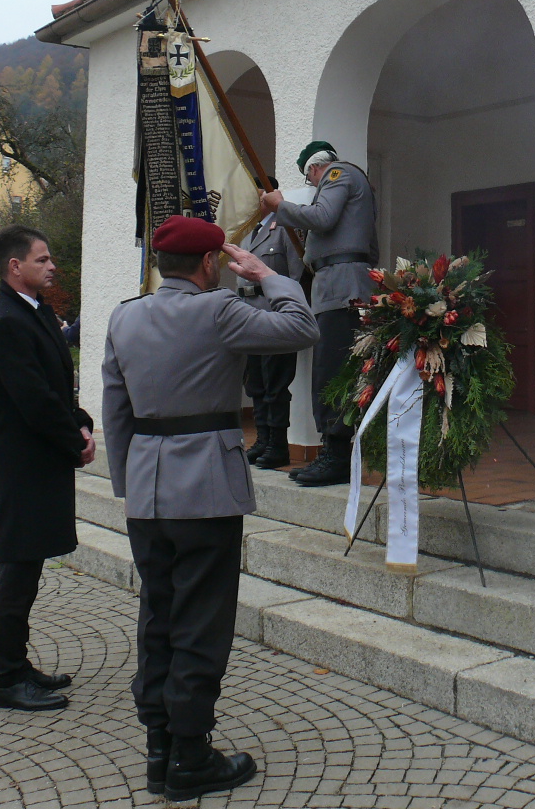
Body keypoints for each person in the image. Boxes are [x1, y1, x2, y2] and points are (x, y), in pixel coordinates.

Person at [103, 213, 319, 801]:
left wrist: (128, 484)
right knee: (202, 621)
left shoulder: (124, 316)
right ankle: (191, 757)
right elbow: (301, 328)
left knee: (159, 615)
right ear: (207, 264)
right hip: (206, 490)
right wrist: (265, 272)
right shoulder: (219, 310)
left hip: (147, 492)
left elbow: (116, 409)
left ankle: (159, 749)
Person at [0, 224, 95, 711]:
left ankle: (18, 664)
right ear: (15, 267)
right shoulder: (8, 322)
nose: (52, 266)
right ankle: (6, 676)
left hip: (40, 462)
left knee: (26, 568)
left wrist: (81, 422)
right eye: (42, 259)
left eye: (50, 259)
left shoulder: (36, 313)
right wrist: (75, 441)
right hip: (23, 466)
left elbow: (53, 386)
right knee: (19, 569)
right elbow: (32, 400)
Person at [258, 140, 378, 487]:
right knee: (332, 369)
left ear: (314, 168)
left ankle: (336, 455)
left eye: (310, 182)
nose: (313, 187)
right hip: (339, 282)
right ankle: (334, 449)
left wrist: (281, 205)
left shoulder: (339, 174)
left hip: (341, 285)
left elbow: (323, 217)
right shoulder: (352, 182)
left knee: (331, 370)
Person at [237, 177, 306, 471]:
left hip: (274, 313)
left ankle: (278, 445)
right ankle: (262, 440)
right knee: (255, 383)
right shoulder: (246, 233)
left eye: (257, 194)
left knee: (275, 383)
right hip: (248, 314)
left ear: (269, 195)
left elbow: (297, 273)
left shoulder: (286, 229)